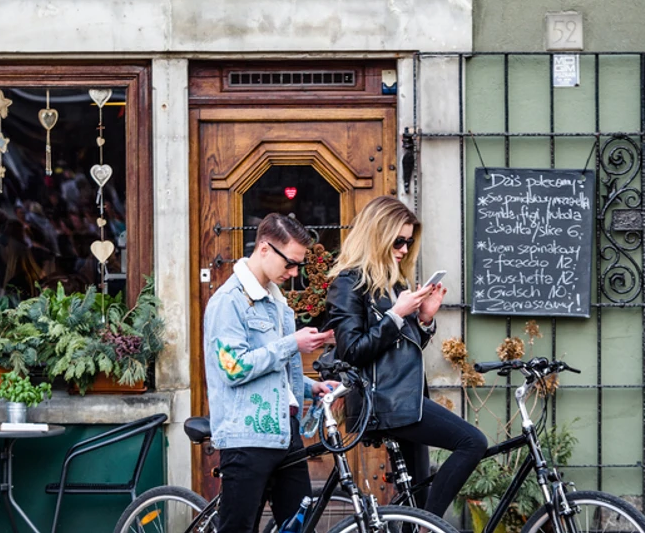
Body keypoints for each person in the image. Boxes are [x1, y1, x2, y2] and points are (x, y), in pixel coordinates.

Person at [323, 196, 486, 518]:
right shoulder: (347, 283)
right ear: (377, 236)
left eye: (408, 243)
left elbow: (398, 354)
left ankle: (420, 522)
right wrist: (397, 315)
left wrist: (424, 320)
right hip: (383, 402)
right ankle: (430, 526)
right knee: (473, 442)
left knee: (417, 494)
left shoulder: (392, 284)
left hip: (404, 398)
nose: (403, 250)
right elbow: (352, 351)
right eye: (398, 241)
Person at [203, 213, 340, 533]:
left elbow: (272, 370)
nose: (293, 273)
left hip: (285, 432)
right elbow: (233, 368)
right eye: (290, 263)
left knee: (299, 527)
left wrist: (310, 387)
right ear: (264, 248)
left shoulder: (278, 304)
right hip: (246, 437)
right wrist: (292, 343)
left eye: (298, 266)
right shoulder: (229, 301)